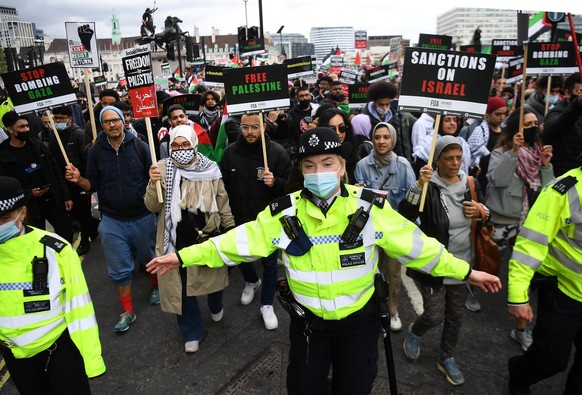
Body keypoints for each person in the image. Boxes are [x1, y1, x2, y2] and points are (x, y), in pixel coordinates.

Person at [147, 127, 502, 395]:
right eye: (310, 165)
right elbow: (234, 243)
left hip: (358, 327)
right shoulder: (283, 214)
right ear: (301, 170)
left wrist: (467, 272)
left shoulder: (371, 208)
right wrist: (180, 257)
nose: (319, 171)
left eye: (327, 163)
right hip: (307, 328)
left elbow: (421, 248)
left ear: (342, 166)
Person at [399, 135, 491, 386]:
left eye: (459, 158)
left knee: (455, 316)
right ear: (436, 160)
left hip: (463, 265)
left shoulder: (470, 183)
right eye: (448, 158)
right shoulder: (429, 185)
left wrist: (483, 212)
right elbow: (405, 215)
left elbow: (486, 214)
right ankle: (416, 331)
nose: (455, 163)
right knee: (433, 315)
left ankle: (447, 357)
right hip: (435, 265)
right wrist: (418, 185)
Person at [0, 176, 105, 394]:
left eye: (3, 219)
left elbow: (80, 310)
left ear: (23, 213)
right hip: (16, 356)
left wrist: (92, 361)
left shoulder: (57, 251)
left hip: (58, 351)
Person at [65, 105, 159, 332]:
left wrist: (156, 176)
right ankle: (127, 311)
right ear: (101, 125)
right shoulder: (95, 152)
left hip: (142, 215)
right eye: (106, 122)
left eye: (115, 120)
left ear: (123, 121)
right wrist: (78, 179)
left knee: (150, 258)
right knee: (119, 268)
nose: (112, 125)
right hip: (112, 220)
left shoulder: (140, 146)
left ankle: (155, 286)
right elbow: (92, 185)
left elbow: (154, 180)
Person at [145, 124, 234, 353]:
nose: (181, 149)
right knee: (181, 288)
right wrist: (152, 183)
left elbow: (222, 199)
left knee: (212, 280)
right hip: (175, 240)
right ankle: (191, 331)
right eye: (175, 145)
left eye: (185, 144)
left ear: (194, 144)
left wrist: (230, 228)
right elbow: (152, 205)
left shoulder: (210, 168)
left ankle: (215, 304)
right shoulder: (162, 169)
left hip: (206, 236)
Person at [506, 165, 582, 395]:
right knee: (551, 360)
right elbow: (531, 242)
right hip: (564, 293)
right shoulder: (566, 189)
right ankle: (518, 374)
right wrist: (518, 295)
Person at [486, 109, 554, 352]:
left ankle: (521, 329)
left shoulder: (538, 154)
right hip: (503, 218)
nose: (533, 126)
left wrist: (545, 166)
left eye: (536, 123)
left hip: (529, 221)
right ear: (517, 128)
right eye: (527, 123)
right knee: (490, 260)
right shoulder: (501, 152)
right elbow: (497, 181)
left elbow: (550, 193)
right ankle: (473, 285)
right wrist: (513, 154)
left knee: (522, 270)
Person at [221, 113, 291, 330]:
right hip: (239, 216)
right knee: (240, 256)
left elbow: (291, 186)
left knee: (270, 264)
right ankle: (251, 281)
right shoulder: (230, 152)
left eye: (255, 127)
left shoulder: (276, 152)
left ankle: (267, 303)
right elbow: (222, 183)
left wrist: (276, 182)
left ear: (264, 127)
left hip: (268, 219)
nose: (250, 132)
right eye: (245, 127)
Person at [354, 122, 416, 331]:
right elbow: (357, 200)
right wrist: (357, 192)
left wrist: (421, 186)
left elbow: (410, 201)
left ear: (393, 139)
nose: (381, 141)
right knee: (370, 271)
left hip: (393, 229)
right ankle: (372, 310)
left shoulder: (403, 166)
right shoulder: (362, 165)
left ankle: (392, 311)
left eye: (385, 137)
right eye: (377, 137)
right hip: (370, 227)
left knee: (393, 273)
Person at [0, 111, 74, 243]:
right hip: (28, 207)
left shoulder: (38, 145)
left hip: (53, 201)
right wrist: (29, 193)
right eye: (21, 127)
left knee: (65, 233)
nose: (26, 129)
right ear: (10, 130)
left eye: (27, 126)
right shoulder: (3, 155)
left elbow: (55, 170)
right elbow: (4, 186)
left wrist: (66, 195)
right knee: (34, 240)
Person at [49, 105, 97, 255]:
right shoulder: (54, 135)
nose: (58, 121)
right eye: (56, 118)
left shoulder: (78, 134)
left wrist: (85, 183)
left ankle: (84, 240)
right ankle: (93, 227)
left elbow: (85, 160)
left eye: (62, 118)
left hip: (79, 181)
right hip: (64, 182)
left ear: (70, 118)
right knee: (74, 212)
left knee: (83, 213)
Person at [542, 72, 582, 177]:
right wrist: (577, 104)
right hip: (563, 177)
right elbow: (555, 129)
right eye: (579, 92)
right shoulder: (556, 112)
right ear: (568, 93)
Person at [466, 96, 508, 193]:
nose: (502, 117)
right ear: (487, 114)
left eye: (504, 114)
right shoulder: (480, 131)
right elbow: (474, 156)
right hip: (483, 179)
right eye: (498, 114)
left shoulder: (506, 132)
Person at [318, 107, 359, 183]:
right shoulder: (313, 156)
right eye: (332, 130)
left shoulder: (353, 153)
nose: (338, 133)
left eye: (342, 128)